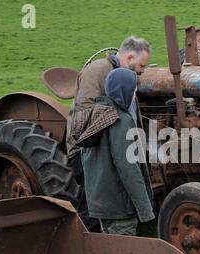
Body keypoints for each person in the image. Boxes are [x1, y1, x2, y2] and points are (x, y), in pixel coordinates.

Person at [66, 36, 151, 230]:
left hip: (115, 144)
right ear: (129, 57)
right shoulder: (97, 71)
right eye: (141, 65)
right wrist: (118, 125)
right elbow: (85, 117)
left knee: (114, 202)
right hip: (91, 150)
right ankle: (90, 245)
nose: (143, 70)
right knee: (96, 209)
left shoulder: (123, 76)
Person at [80, 68, 155, 235]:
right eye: (133, 91)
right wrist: (145, 210)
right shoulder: (121, 120)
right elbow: (128, 168)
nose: (134, 96)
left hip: (101, 206)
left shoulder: (95, 114)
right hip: (120, 207)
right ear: (125, 91)